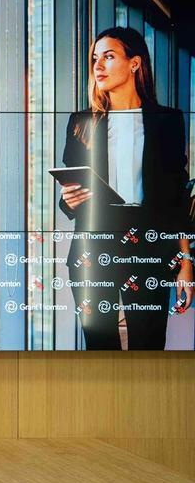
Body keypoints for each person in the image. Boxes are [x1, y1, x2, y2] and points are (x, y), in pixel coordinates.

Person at [59, 26, 193, 350]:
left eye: (109, 56)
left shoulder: (167, 121)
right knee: (99, 348)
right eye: (95, 59)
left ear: (134, 63)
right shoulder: (82, 122)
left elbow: (176, 201)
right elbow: (71, 196)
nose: (98, 66)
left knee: (148, 346)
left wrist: (186, 263)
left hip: (148, 249)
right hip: (94, 248)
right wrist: (69, 200)